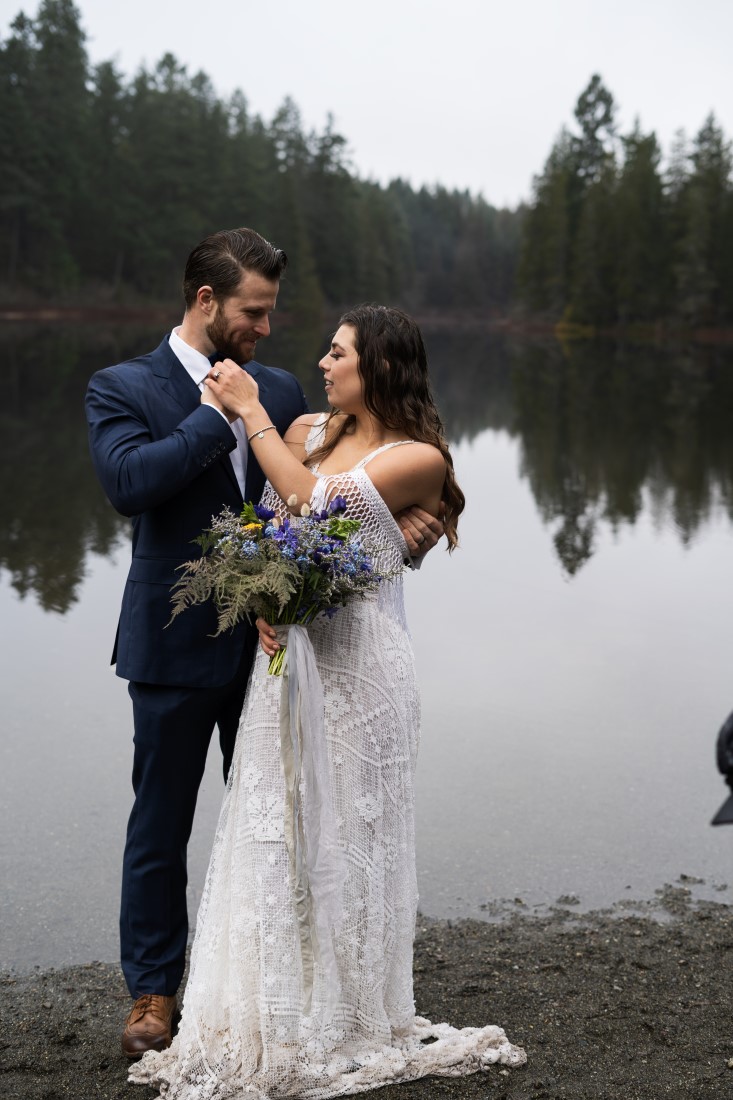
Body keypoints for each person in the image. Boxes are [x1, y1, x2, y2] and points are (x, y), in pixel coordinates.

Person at [129, 304, 526, 1097]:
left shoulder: (417, 457)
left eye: (337, 352)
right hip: (288, 660)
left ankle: (344, 1011)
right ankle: (274, 1005)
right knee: (277, 829)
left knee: (351, 835)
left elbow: (314, 504)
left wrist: (249, 411)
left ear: (378, 366)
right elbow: (271, 525)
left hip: (364, 671)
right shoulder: (307, 428)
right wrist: (263, 594)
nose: (321, 362)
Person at [85, 230, 443, 1059]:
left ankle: (288, 980)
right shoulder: (122, 386)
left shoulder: (279, 390)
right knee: (160, 823)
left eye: (272, 311)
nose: (267, 328)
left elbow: (338, 492)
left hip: (285, 652)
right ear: (206, 301)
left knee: (284, 821)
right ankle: (153, 991)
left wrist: (408, 535)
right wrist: (218, 413)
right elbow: (129, 485)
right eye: (254, 311)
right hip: (173, 644)